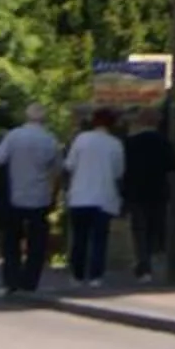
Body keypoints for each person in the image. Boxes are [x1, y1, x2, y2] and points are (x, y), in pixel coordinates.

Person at [0, 103, 62, 297]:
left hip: (15, 195)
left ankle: (12, 279)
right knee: (37, 241)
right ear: (44, 119)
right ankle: (30, 281)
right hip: (40, 197)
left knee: (12, 239)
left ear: (26, 116)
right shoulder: (50, 139)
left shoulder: (14, 136)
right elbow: (58, 168)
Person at [61, 107, 125, 289]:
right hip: (104, 198)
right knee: (99, 239)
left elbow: (69, 165)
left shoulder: (81, 139)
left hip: (80, 196)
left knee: (79, 238)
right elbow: (119, 172)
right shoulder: (115, 144)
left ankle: (77, 275)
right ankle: (96, 276)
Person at [120, 111, 175, 282]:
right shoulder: (163, 142)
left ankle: (143, 265)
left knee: (139, 229)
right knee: (155, 227)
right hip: (158, 191)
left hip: (136, 192)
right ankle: (153, 258)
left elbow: (123, 168)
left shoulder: (130, 143)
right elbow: (173, 164)